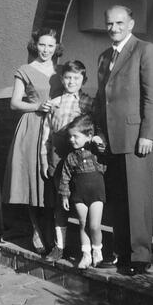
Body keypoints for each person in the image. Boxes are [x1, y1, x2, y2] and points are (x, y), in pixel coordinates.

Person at [95, 4, 153, 275]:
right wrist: (99, 133)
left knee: (137, 199)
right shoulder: (104, 56)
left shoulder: (145, 50)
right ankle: (122, 252)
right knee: (118, 199)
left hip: (137, 138)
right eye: (110, 23)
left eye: (119, 23)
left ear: (131, 24)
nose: (114, 28)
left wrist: (148, 134)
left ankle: (139, 257)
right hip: (111, 140)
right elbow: (102, 100)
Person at [2, 27, 63, 254]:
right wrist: (37, 106)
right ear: (35, 45)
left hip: (57, 127)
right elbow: (15, 103)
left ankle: (57, 236)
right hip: (32, 126)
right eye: (42, 45)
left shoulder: (62, 71)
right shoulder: (25, 70)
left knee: (53, 180)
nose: (46, 50)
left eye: (50, 45)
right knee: (33, 178)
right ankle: (37, 230)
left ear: (57, 47)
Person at [40, 60, 94, 261]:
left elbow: (94, 130)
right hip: (57, 156)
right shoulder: (54, 103)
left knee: (82, 203)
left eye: (76, 78)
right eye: (68, 77)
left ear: (83, 80)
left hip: (80, 160)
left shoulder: (89, 103)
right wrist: (45, 161)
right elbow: (46, 133)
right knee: (59, 204)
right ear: (62, 79)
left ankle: (86, 250)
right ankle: (59, 247)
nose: (71, 81)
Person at [58, 115, 106, 269]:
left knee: (94, 226)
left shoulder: (97, 153)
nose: (72, 140)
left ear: (89, 136)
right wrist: (65, 195)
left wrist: (97, 141)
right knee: (83, 224)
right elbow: (65, 177)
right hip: (79, 195)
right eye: (70, 136)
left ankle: (97, 251)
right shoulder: (71, 158)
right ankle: (86, 255)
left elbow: (104, 151)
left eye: (76, 136)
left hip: (97, 194)